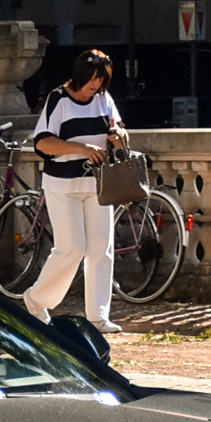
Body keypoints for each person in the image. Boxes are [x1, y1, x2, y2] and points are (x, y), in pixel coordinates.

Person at [20, 49, 128, 329]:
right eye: (92, 78)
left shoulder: (104, 99)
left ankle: (98, 316)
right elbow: (42, 142)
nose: (95, 84)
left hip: (98, 183)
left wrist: (119, 136)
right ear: (80, 76)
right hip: (62, 185)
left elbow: (117, 127)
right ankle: (36, 299)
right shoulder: (59, 99)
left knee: (101, 249)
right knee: (71, 249)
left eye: (101, 79)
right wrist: (80, 148)